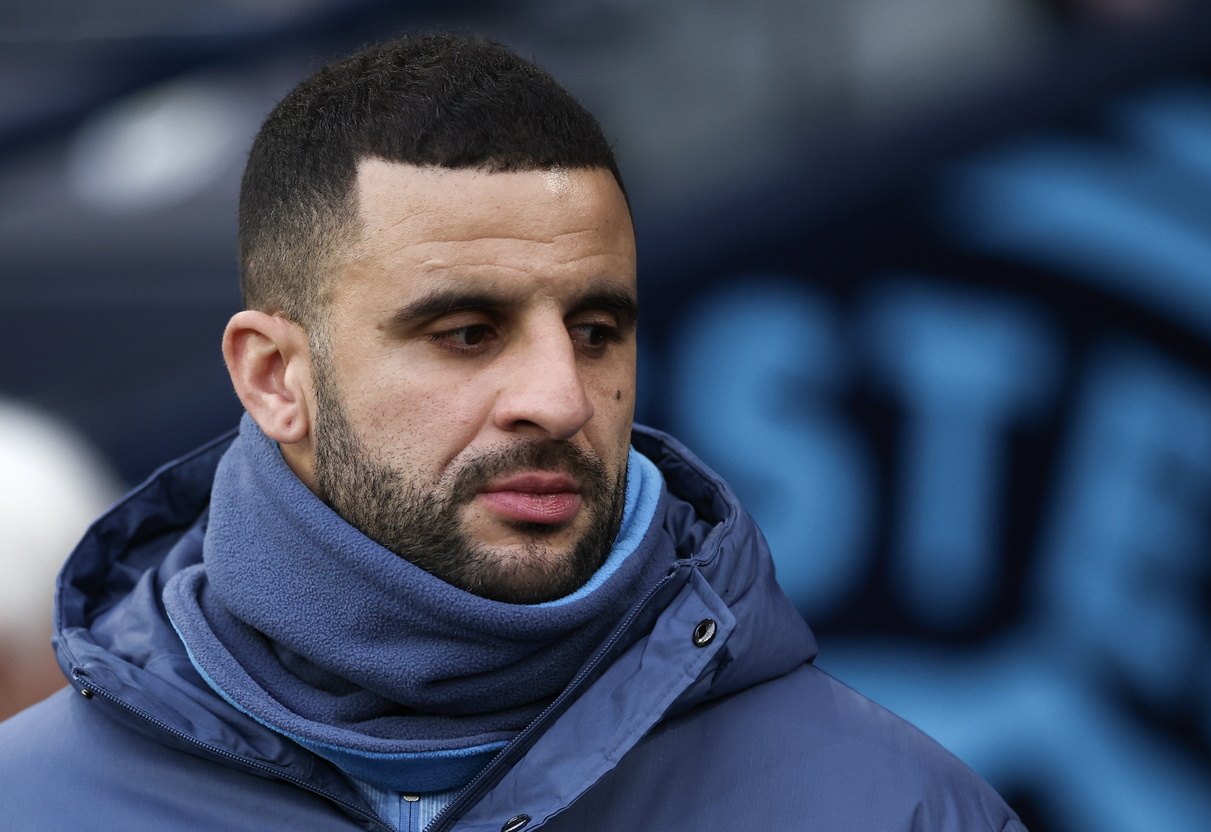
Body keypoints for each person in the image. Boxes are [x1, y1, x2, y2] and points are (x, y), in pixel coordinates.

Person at [0, 35, 1025, 832]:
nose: (559, 399)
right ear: (275, 378)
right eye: (466, 332)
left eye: (595, 330)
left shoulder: (890, 807)